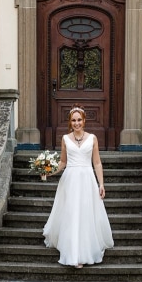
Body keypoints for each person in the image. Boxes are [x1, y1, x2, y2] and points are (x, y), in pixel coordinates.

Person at [43, 106, 114, 268]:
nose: (76, 123)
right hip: (71, 179)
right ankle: (73, 254)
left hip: (87, 179)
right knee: (72, 214)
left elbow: (97, 162)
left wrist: (101, 183)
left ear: (84, 121)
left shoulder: (93, 138)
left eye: (79, 120)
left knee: (85, 214)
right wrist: (48, 172)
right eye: (73, 120)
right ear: (70, 122)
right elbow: (63, 162)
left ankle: (85, 251)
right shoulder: (65, 139)